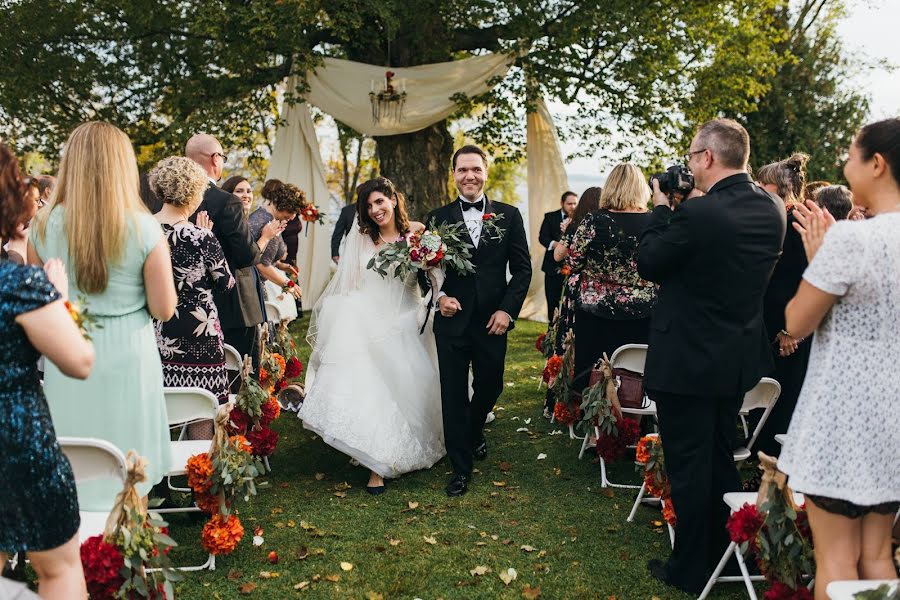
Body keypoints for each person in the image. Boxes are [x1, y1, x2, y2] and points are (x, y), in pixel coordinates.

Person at [637, 119, 785, 594]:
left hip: (687, 361)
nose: (687, 163)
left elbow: (649, 262)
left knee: (688, 464)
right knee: (721, 456)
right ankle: (729, 547)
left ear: (706, 157)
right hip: (736, 358)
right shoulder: (773, 208)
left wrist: (661, 208)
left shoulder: (697, 215)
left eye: (691, 154)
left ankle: (690, 568)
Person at [779, 118, 900, 600]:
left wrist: (818, 259)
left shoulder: (852, 240)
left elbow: (796, 321)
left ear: (877, 163)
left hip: (844, 417)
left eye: (851, 156)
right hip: (895, 417)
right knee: (878, 555)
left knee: (835, 561)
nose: (845, 167)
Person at [29, 121, 178, 510]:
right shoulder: (145, 227)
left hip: (69, 355)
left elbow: (37, 304)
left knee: (73, 460)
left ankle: (72, 556)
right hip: (129, 355)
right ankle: (130, 558)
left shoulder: (42, 226)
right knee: (131, 470)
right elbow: (165, 308)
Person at [299, 177, 445, 494]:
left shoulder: (417, 234)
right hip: (366, 317)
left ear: (393, 199)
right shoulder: (363, 239)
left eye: (380, 201)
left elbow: (436, 276)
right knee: (368, 385)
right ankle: (373, 465)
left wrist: (436, 302)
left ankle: (395, 447)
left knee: (405, 390)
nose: (376, 210)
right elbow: (350, 281)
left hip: (406, 317)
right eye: (369, 205)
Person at [1, 142, 95, 600]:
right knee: (57, 568)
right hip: (16, 440)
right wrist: (56, 295)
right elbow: (78, 360)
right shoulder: (18, 284)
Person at [428, 145, 531, 497]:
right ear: (453, 174)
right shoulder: (437, 218)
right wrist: (440, 299)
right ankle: (460, 467)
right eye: (462, 170)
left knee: (491, 384)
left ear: (485, 171)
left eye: (475, 169)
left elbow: (522, 270)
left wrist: (507, 311)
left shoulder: (509, 215)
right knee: (453, 394)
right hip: (452, 323)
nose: (469, 176)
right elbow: (426, 271)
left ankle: (473, 433)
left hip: (492, 321)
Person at [150, 157, 235, 439]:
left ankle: (161, 472)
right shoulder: (200, 236)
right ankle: (199, 472)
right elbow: (225, 283)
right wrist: (208, 237)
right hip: (200, 335)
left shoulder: (141, 230)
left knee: (159, 402)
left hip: (156, 332)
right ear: (193, 191)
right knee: (203, 406)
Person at [187, 134, 278, 365]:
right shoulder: (225, 201)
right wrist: (264, 239)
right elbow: (246, 256)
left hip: (187, 306)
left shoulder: (166, 201)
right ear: (216, 159)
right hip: (234, 306)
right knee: (241, 375)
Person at [566, 164, 656, 394]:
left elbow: (574, 261)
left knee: (593, 370)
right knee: (637, 369)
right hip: (643, 311)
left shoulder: (593, 221)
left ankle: (591, 415)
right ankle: (637, 414)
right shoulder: (655, 222)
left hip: (595, 310)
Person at [755, 153, 812, 457]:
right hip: (773, 323)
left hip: (787, 328)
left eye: (762, 184)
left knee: (781, 399)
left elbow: (803, 280)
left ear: (778, 187)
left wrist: (790, 330)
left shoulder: (796, 222)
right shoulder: (782, 218)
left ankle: (772, 465)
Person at [542, 186, 601, 417]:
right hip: (597, 291)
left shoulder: (576, 226)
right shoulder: (605, 223)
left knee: (566, 342)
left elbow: (558, 255)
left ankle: (557, 402)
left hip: (576, 291)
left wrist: (567, 234)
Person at [249, 180, 304, 320]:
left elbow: (264, 254)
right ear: (284, 205)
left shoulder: (263, 215)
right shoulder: (267, 222)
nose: (293, 217)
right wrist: (288, 284)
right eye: (292, 211)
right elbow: (261, 263)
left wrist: (280, 265)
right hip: (253, 287)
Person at [538, 191, 578, 321]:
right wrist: (558, 246)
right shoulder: (550, 217)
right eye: (569, 203)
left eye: (575, 204)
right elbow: (542, 238)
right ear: (562, 203)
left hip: (573, 268)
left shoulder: (581, 219)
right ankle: (551, 330)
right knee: (552, 299)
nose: (572, 206)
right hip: (551, 266)